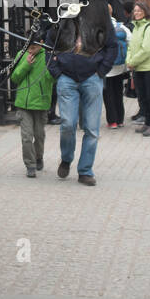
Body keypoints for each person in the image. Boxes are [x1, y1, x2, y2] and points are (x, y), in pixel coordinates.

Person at [47, 23, 118, 186]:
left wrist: (102, 70)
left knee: (92, 128)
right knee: (67, 124)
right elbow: (49, 44)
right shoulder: (62, 17)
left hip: (92, 77)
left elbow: (113, 46)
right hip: (66, 77)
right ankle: (66, 158)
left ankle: (85, 171)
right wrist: (56, 71)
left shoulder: (99, 17)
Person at [10, 39, 55, 178]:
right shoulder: (21, 54)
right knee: (26, 137)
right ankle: (30, 164)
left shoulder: (48, 55)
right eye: (28, 45)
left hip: (41, 103)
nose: (30, 48)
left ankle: (38, 157)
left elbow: (53, 77)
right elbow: (15, 77)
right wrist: (26, 64)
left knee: (39, 135)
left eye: (33, 45)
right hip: (23, 104)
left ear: (41, 42)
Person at [125, 0, 150, 137]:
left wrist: (132, 62)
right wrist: (129, 60)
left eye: (139, 10)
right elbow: (131, 47)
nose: (137, 13)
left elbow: (147, 49)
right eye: (135, 11)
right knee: (142, 97)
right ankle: (147, 122)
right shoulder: (136, 27)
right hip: (138, 68)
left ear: (145, 11)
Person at [103, 4, 131, 129]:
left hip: (106, 68)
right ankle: (120, 120)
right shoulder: (121, 27)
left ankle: (112, 121)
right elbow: (131, 42)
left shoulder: (101, 27)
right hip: (120, 67)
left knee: (108, 95)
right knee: (118, 94)